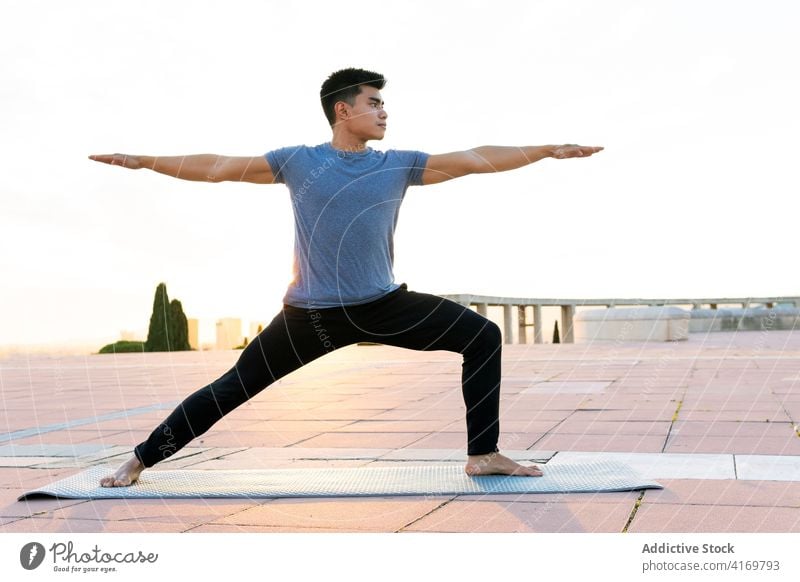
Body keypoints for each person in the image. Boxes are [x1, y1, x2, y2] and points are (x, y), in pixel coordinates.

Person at [90, 67, 603, 487]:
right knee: (233, 387)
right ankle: (138, 460)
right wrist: (144, 162)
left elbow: (475, 160)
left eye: (383, 104)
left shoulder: (398, 165)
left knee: (482, 336)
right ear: (344, 109)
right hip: (310, 316)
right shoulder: (299, 162)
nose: (384, 112)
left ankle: (484, 454)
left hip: (384, 306)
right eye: (374, 102)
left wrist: (547, 150)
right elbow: (221, 166)